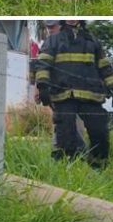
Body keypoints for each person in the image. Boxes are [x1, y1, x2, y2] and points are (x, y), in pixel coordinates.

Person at [35, 20, 113, 168]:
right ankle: (69, 168)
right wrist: (42, 86)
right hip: (64, 95)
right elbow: (43, 65)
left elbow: (104, 65)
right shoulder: (53, 40)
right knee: (66, 135)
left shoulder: (92, 40)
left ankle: (98, 168)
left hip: (90, 95)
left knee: (99, 131)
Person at [31, 20, 87, 152]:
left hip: (74, 93)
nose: (50, 29)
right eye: (48, 27)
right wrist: (38, 89)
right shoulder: (48, 44)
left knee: (73, 125)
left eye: (53, 26)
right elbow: (41, 68)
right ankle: (62, 152)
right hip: (56, 93)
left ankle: (76, 152)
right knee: (61, 123)